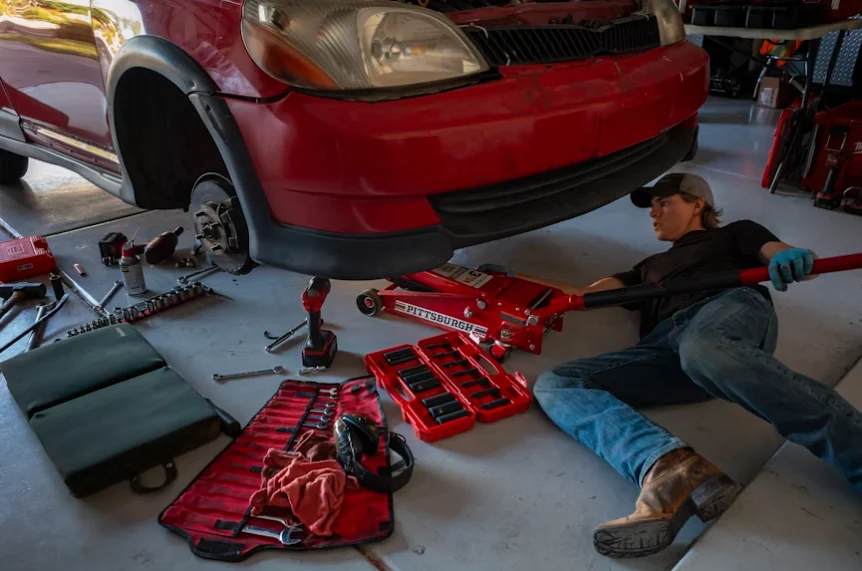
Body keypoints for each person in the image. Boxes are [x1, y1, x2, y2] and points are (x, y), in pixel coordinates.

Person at [526, 173, 862, 559]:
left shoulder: (734, 233)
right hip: (668, 347)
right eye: (651, 207)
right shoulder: (647, 267)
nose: (653, 213)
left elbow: (776, 251)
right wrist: (512, 279)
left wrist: (792, 257)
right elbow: (584, 295)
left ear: (697, 204)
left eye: (663, 202)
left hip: (725, 310)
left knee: (704, 350)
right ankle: (671, 470)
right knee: (557, 383)